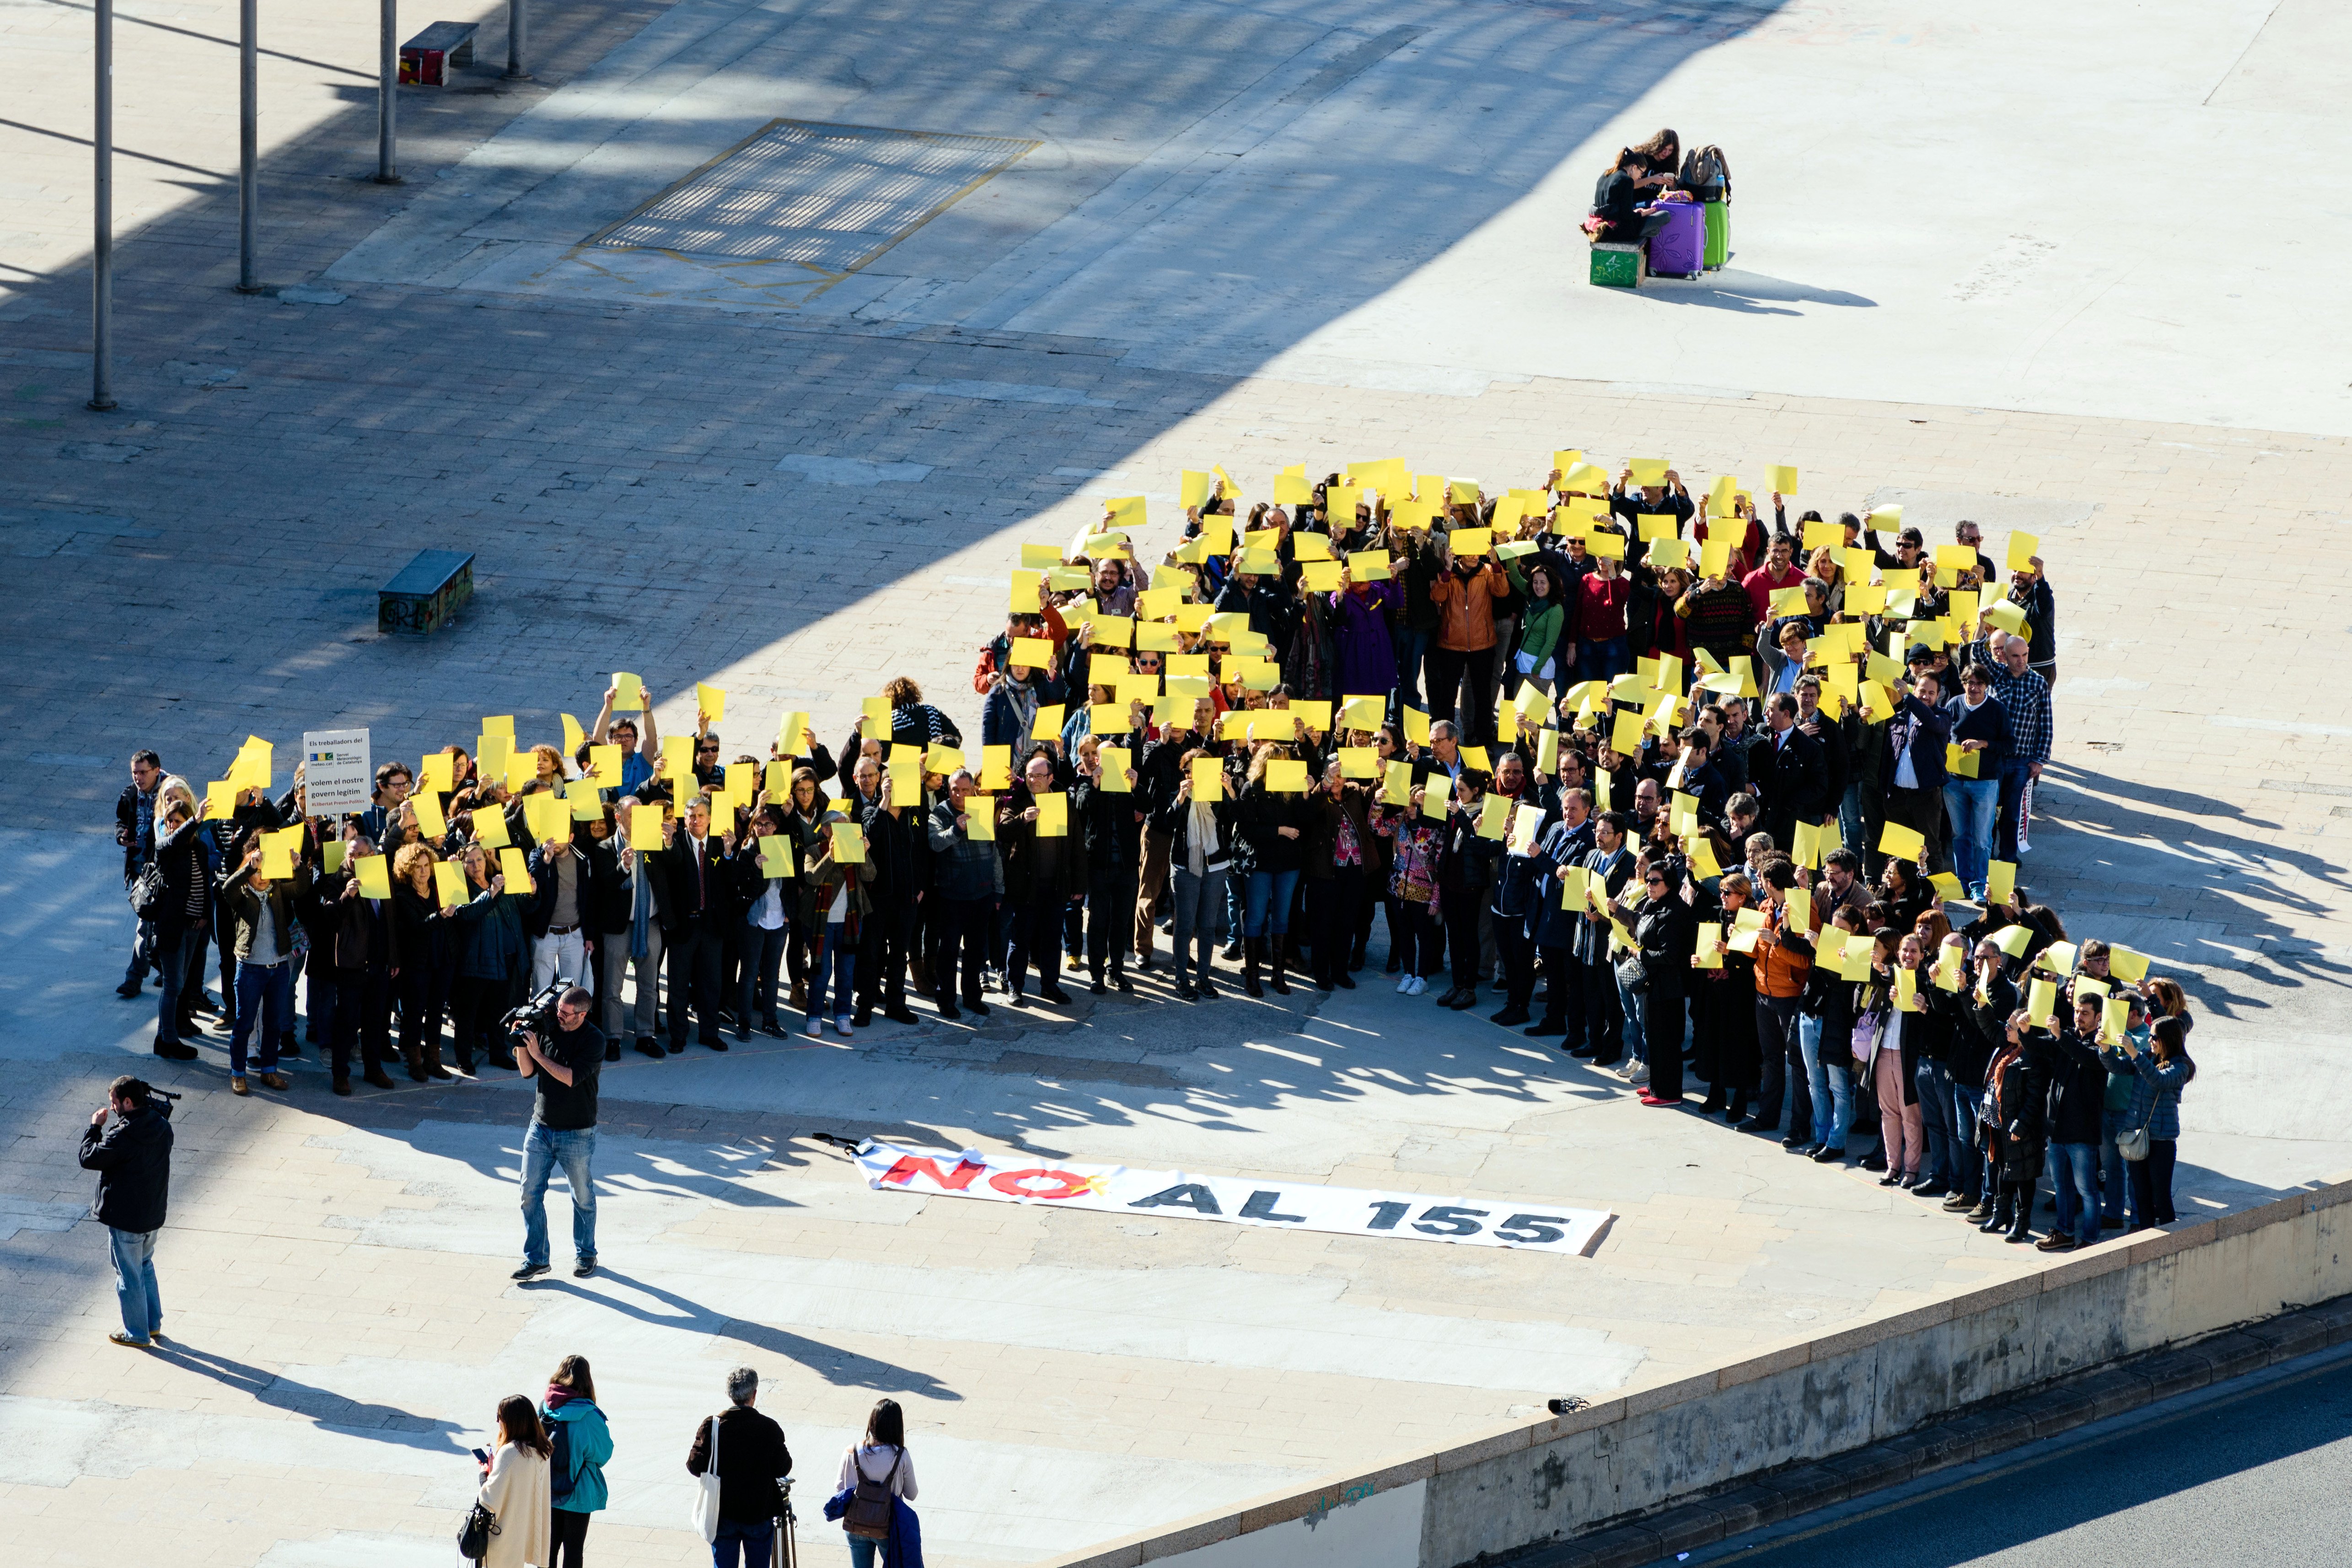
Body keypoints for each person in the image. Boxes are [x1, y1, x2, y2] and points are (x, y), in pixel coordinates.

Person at [513, 985, 603, 1282]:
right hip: (541, 1126)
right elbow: (528, 1072)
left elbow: (570, 1078)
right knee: (529, 1194)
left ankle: (586, 1253)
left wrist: (538, 1054)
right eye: (559, 1010)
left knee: (583, 1196)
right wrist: (522, 1045)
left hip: (577, 1132)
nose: (559, 1017)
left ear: (582, 1014)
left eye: (566, 1013)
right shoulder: (549, 1026)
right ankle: (537, 1259)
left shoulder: (594, 1040)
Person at [79, 1074, 174, 1348]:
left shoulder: (122, 1135)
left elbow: (88, 1158)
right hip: (153, 1215)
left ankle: (137, 1333)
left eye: (115, 1103)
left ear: (128, 1102)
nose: (113, 1108)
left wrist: (95, 1128)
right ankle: (153, 1325)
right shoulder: (162, 1125)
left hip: (127, 1219)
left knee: (128, 1275)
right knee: (144, 1266)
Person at [687, 1366, 795, 1568]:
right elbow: (784, 1467)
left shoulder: (713, 1426)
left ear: (730, 1394)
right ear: (754, 1395)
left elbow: (694, 1466)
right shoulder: (769, 1428)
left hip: (723, 1514)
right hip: (758, 1514)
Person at [2110, 1015, 2193, 1228]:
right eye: (2150, 1036)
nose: (2150, 1041)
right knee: (2142, 1195)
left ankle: (2170, 1242)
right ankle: (2146, 1240)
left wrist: (2136, 1055)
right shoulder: (2147, 1056)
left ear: (2168, 1039)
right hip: (2137, 1136)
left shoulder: (2182, 1066)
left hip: (2161, 1140)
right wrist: (2105, 1049)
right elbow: (2119, 1068)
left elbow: (2160, 1081)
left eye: (2154, 1037)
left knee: (2161, 1197)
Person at [541, 1354, 613, 1568]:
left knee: (547, 1549)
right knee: (573, 1550)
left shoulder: (544, 1409)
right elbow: (604, 1453)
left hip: (548, 1488)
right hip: (579, 1491)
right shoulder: (589, 1415)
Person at [836, 1398, 919, 1568]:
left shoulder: (851, 1451)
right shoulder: (901, 1456)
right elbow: (912, 1494)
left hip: (855, 1524)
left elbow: (840, 1489)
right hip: (887, 1527)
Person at [474, 1394, 553, 1568]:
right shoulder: (543, 1451)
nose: (498, 1422)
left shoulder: (510, 1452)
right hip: (525, 1533)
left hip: (503, 1537)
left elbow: (488, 1500)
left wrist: (484, 1474)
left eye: (500, 1418)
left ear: (512, 1421)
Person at [117, 749, 165, 998]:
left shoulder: (171, 793)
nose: (138, 778)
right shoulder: (131, 794)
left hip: (160, 874)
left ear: (157, 770)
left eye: (143, 772)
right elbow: (121, 821)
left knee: (145, 926)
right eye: (135, 772)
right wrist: (121, 835)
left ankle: (134, 979)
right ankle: (165, 971)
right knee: (152, 926)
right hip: (139, 872)